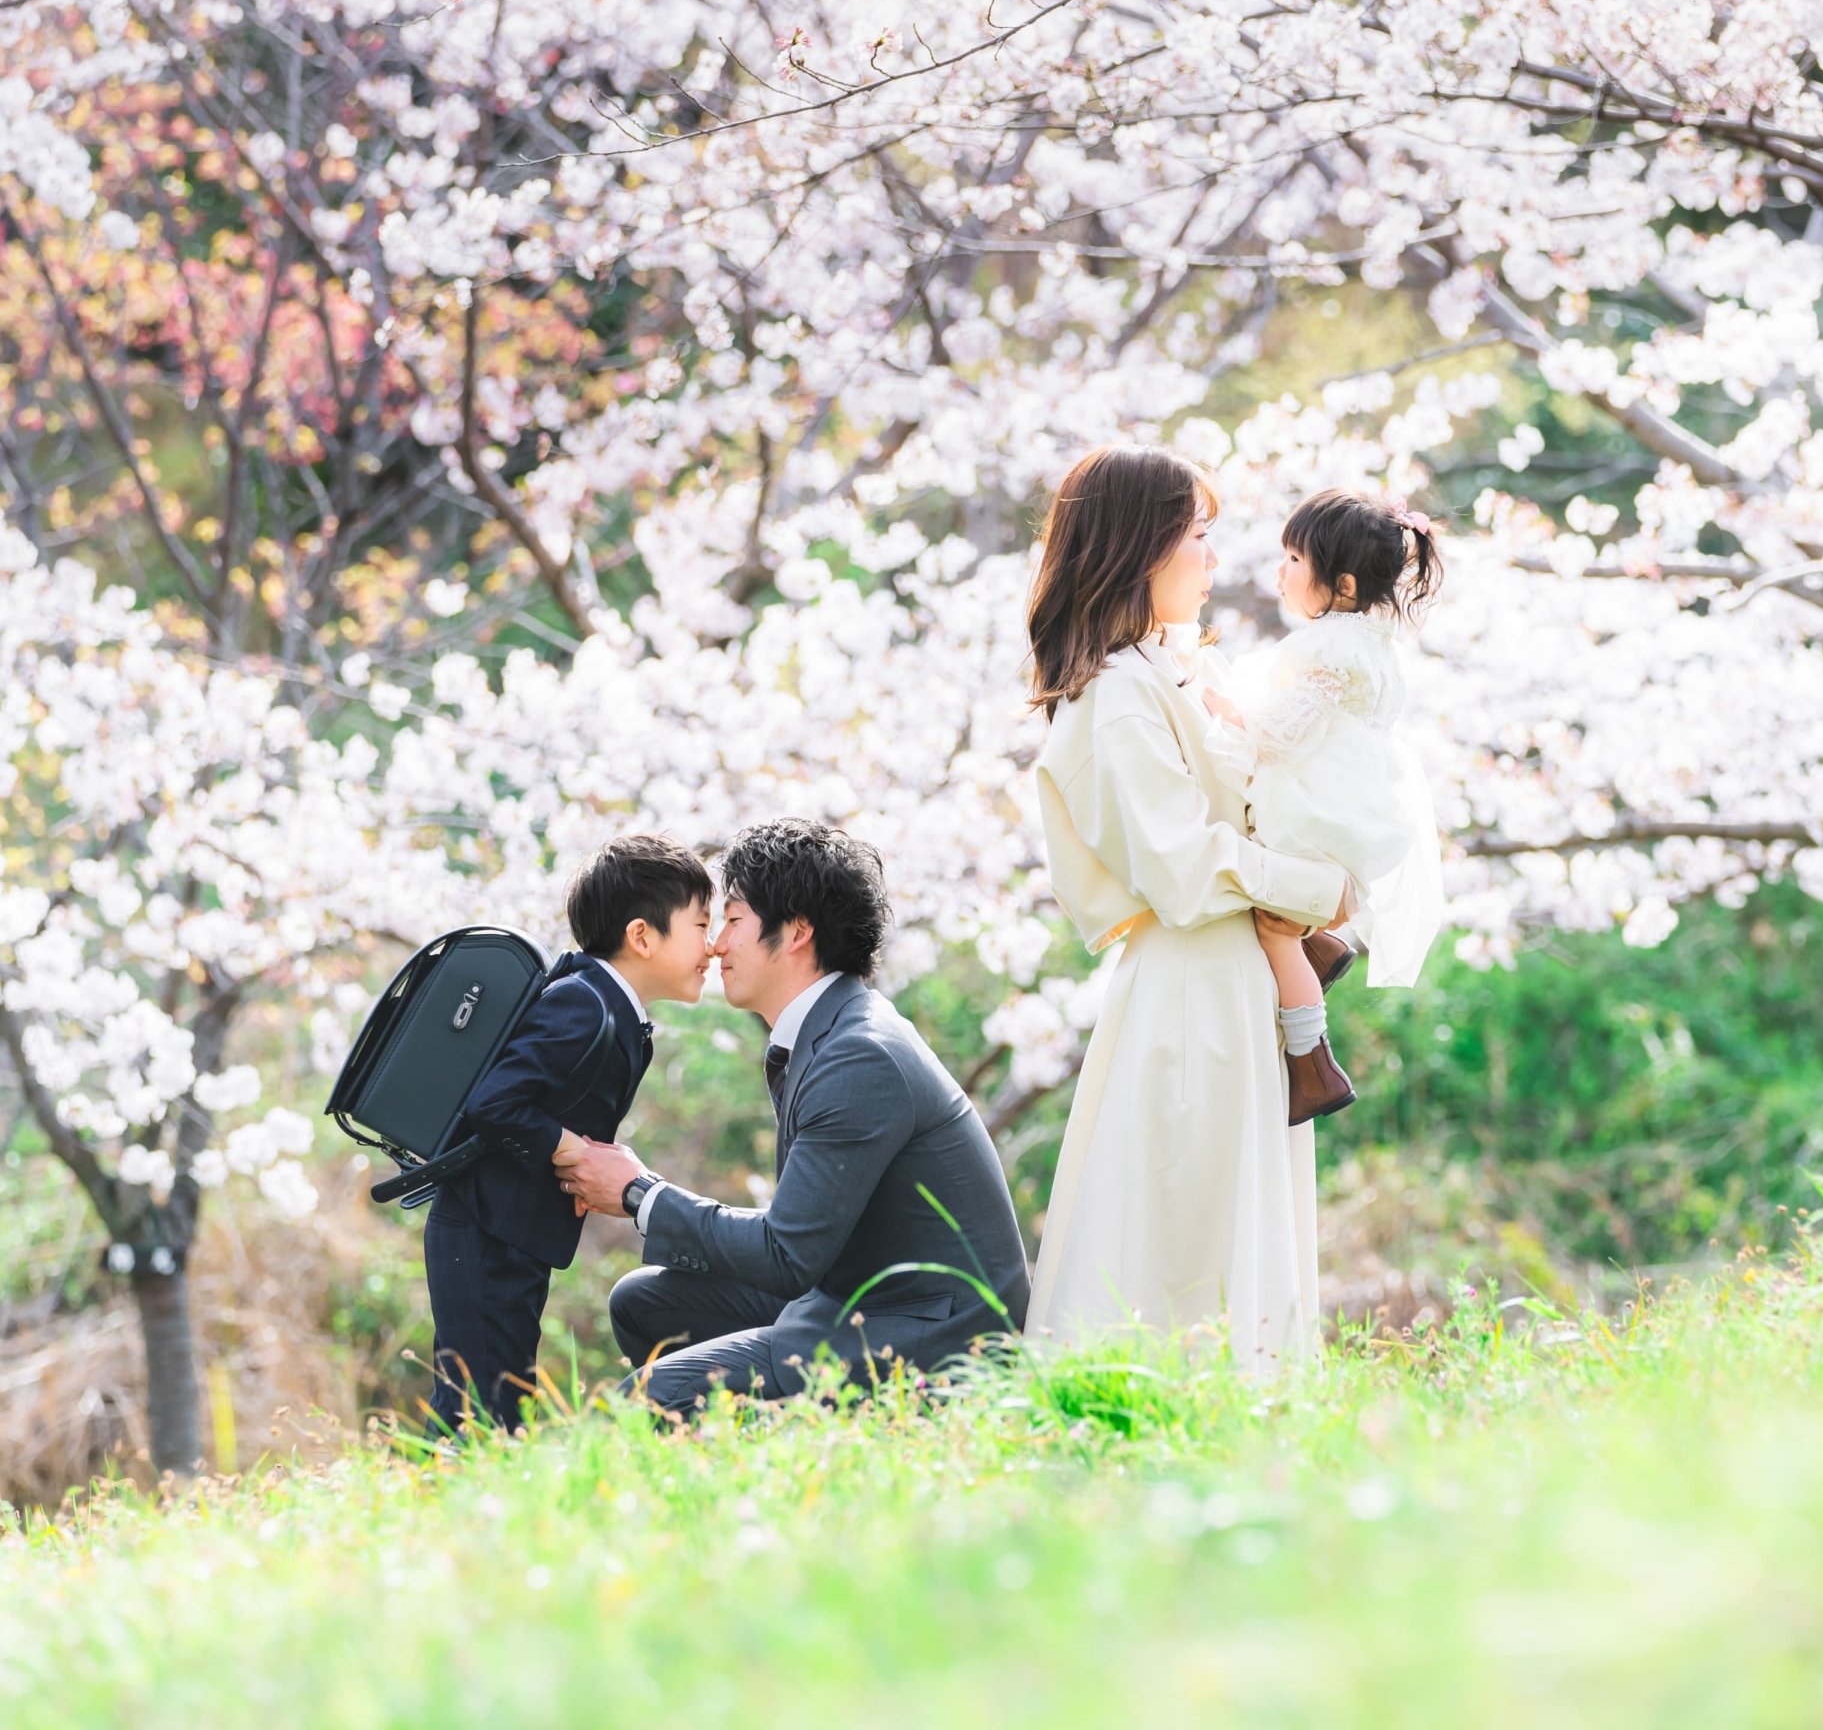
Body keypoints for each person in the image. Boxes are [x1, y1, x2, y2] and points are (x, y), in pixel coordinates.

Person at [1023, 445, 1357, 1375]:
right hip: (1191, 986)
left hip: (1226, 981)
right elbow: (1181, 865)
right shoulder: (1117, 696)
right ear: (1141, 549)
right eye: (1197, 536)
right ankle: (1166, 1423)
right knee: (1182, 1225)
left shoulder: (1165, 673)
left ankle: (1232, 1428)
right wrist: (1318, 890)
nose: (1215, 559)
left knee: (1216, 1211)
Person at [555, 818, 1030, 1412]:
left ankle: (780, 1456)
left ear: (798, 931)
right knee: (642, 1301)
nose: (715, 944)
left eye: (732, 921)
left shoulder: (861, 1055)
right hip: (857, 1294)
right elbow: (805, 1231)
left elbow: (787, 1255)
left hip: (929, 1335)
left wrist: (639, 1193)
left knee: (644, 1401)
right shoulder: (833, 1029)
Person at [424, 834, 714, 1431]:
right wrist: (572, 1151)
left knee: (493, 1400)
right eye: (701, 925)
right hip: (482, 1232)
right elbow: (495, 1102)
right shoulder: (584, 1004)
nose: (711, 948)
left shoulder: (613, 1009)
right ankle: (442, 1510)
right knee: (480, 1408)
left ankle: (456, 1509)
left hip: (508, 1234)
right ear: (642, 936)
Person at [1199, 490, 1445, 1006]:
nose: (1280, 573)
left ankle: (1311, 1054)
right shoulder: (1377, 646)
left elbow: (1288, 732)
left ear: (1344, 586)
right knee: (1278, 926)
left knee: (1274, 931)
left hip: (1317, 813)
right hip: (1357, 811)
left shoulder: (1331, 642)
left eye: (1293, 560)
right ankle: (1319, 957)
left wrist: (1231, 716)